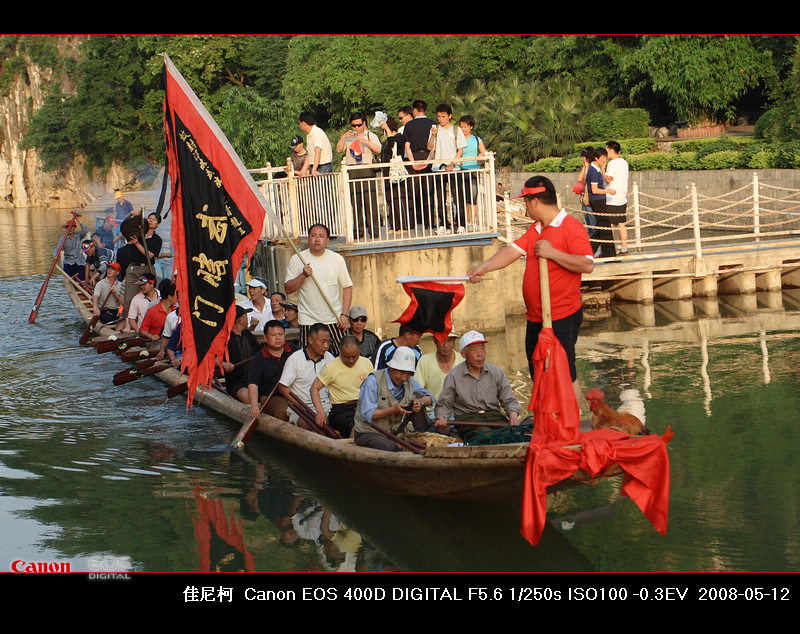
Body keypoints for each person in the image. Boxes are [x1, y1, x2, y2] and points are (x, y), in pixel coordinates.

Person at [467, 175, 594, 405]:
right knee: (538, 370)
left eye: (526, 202)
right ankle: (547, 420)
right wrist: (483, 268)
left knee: (566, 371)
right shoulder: (535, 229)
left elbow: (587, 264)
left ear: (535, 201)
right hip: (535, 316)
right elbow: (511, 252)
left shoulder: (570, 227)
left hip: (562, 315)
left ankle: (571, 425)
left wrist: (553, 253)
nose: (525, 207)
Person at [433, 330, 520, 443]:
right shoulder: (454, 375)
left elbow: (508, 399)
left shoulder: (496, 372)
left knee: (512, 437)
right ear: (464, 354)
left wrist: (513, 416)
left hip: (494, 417)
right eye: (474, 350)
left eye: (482, 348)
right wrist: (442, 418)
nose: (480, 354)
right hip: (468, 420)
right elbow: (444, 404)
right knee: (485, 437)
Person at [284, 223, 353, 356]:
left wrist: (344, 315)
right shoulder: (297, 259)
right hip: (308, 321)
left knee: (343, 356)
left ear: (327, 240)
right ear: (308, 238)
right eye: (313, 236)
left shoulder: (337, 259)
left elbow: (348, 287)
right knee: (308, 360)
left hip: (334, 319)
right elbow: (288, 289)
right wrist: (303, 275)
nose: (317, 239)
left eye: (321, 236)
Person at [352, 346, 435, 452]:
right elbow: (368, 414)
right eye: (401, 373)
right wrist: (393, 410)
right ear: (391, 368)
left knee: (417, 405)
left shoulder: (410, 381)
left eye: (408, 374)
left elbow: (431, 398)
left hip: (393, 433)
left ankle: (420, 434)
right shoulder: (373, 381)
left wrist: (420, 402)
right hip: (369, 432)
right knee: (390, 447)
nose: (404, 378)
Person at [309, 335, 373, 437]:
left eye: (354, 356)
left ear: (359, 350)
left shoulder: (367, 363)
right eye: (347, 357)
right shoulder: (331, 367)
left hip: (363, 406)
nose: (351, 360)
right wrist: (320, 411)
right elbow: (314, 388)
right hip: (342, 409)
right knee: (357, 427)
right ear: (340, 352)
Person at [278, 322, 335, 424]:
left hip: (326, 405)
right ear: (310, 340)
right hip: (302, 407)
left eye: (328, 342)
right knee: (307, 424)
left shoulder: (329, 357)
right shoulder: (295, 359)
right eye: (322, 342)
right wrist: (298, 404)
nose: (326, 346)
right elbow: (283, 387)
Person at [337, 112, 382, 238]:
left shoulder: (370, 135)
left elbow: (378, 149)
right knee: (355, 203)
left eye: (358, 125)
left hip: (367, 170)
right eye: (353, 125)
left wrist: (365, 141)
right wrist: (344, 137)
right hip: (353, 170)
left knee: (370, 203)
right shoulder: (349, 137)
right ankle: (358, 230)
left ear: (364, 123)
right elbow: (339, 149)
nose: (356, 128)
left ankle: (374, 230)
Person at [248, 319, 297, 421]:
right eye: (273, 335)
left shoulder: (295, 351)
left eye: (280, 334)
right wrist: (254, 405)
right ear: (265, 338)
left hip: (296, 392)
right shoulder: (259, 358)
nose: (278, 338)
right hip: (271, 396)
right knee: (284, 411)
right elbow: (253, 384)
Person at [429, 103, 467, 233]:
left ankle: (461, 224)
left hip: (453, 168)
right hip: (438, 168)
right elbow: (429, 147)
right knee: (439, 198)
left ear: (449, 116)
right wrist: (433, 135)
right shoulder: (435, 129)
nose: (441, 119)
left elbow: (460, 149)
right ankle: (443, 224)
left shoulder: (456, 130)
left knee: (457, 197)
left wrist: (452, 164)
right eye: (439, 116)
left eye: (443, 116)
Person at [403, 100, 436, 228]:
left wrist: (412, 162)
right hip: (429, 157)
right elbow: (433, 145)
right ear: (425, 110)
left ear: (414, 110)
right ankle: (429, 222)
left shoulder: (409, 125)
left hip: (414, 156)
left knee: (412, 192)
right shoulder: (433, 124)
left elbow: (407, 145)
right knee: (428, 192)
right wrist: (428, 160)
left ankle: (412, 223)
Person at [223, 305, 260, 404]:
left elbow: (259, 352)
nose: (247, 318)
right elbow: (211, 357)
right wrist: (223, 364)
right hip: (236, 382)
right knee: (246, 396)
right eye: (246, 316)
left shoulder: (247, 335)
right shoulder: (225, 339)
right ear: (241, 320)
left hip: (254, 377)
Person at [379, 116, 409, 233]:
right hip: (387, 172)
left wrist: (387, 129)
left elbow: (393, 145)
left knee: (398, 198)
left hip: (396, 172)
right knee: (389, 199)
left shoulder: (400, 137)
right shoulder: (387, 139)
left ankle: (403, 225)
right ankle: (394, 225)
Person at [457, 115, 487, 231]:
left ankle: (472, 221)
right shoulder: (458, 139)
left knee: (473, 196)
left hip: (473, 171)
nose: (463, 129)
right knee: (464, 197)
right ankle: (466, 221)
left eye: (465, 127)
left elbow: (484, 152)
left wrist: (481, 156)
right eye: (461, 127)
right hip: (461, 171)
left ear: (471, 127)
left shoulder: (476, 140)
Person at [414, 330, 460, 403]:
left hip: (460, 410)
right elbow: (417, 390)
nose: (446, 345)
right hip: (432, 411)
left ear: (454, 341)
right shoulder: (424, 361)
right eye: (441, 340)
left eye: (449, 340)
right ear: (434, 340)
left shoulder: (463, 361)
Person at [587, 147, 617, 258]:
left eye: (605, 158)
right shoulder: (593, 171)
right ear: (596, 158)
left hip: (600, 200)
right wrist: (609, 191)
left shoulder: (596, 169)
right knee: (605, 228)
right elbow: (595, 190)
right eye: (602, 158)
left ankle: (589, 251)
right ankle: (609, 254)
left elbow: (604, 178)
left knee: (602, 228)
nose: (604, 160)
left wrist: (603, 167)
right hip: (597, 201)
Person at [605, 140, 630, 256]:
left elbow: (609, 178)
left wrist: (601, 170)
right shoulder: (624, 162)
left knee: (609, 225)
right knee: (621, 224)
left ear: (611, 150)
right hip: (621, 197)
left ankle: (609, 250)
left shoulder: (612, 163)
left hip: (611, 198)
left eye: (606, 150)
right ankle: (624, 248)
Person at [576, 146, 599, 251]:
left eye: (583, 156)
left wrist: (586, 166)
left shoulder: (593, 168)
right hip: (585, 201)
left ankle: (596, 250)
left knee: (594, 228)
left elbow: (586, 178)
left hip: (591, 202)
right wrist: (584, 166)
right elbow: (580, 178)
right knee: (589, 228)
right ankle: (591, 250)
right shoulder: (586, 167)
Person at [297, 111, 333, 176]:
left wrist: (314, 170)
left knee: (322, 186)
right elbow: (309, 155)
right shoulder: (309, 135)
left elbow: (318, 152)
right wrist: (303, 171)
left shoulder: (317, 133)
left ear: (303, 123)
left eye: (299, 123)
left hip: (322, 167)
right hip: (314, 166)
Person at [91, 261, 124, 328]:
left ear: (117, 273)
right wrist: (95, 308)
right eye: (109, 268)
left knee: (123, 319)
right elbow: (95, 296)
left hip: (116, 312)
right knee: (107, 319)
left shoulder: (121, 285)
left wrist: (116, 294)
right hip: (104, 311)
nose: (109, 270)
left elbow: (123, 302)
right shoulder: (100, 284)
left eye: (112, 269)